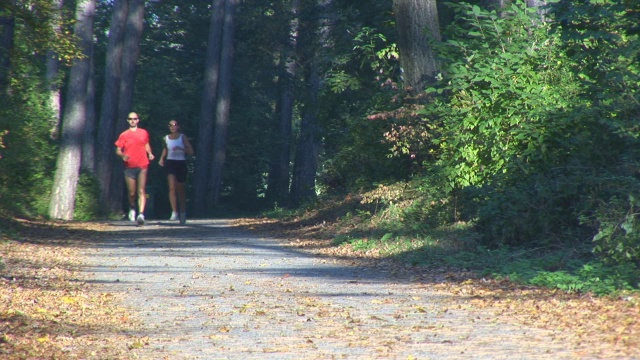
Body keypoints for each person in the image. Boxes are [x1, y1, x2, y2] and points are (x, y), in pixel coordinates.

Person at [115, 112, 155, 226]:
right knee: (132, 193)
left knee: (141, 190)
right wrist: (122, 155)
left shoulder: (143, 133)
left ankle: (141, 214)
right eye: (130, 119)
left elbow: (146, 144)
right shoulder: (124, 135)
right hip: (129, 166)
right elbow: (118, 149)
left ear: (138, 120)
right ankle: (132, 207)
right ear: (128, 120)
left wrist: (150, 153)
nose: (133, 120)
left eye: (135, 119)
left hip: (142, 164)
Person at [158, 119, 194, 224]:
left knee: (180, 190)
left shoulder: (182, 137)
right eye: (170, 125)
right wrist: (161, 158)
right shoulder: (165, 138)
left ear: (178, 126)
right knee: (172, 187)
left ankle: (183, 211)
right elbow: (165, 149)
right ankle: (174, 212)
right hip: (170, 163)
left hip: (181, 163)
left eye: (174, 125)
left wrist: (181, 149)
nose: (172, 127)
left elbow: (191, 151)